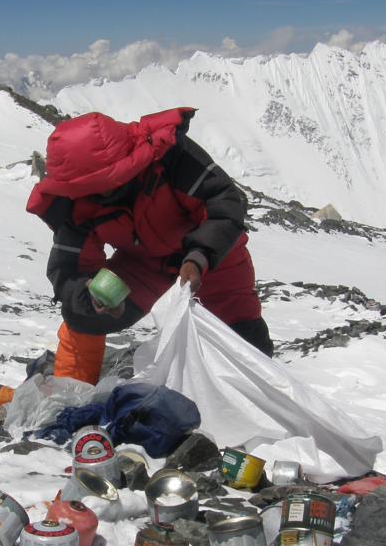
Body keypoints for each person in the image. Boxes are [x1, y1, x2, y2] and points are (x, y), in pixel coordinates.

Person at [26, 107, 273, 384]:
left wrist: (198, 258)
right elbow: (71, 267)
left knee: (244, 338)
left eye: (103, 185)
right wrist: (91, 300)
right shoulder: (77, 201)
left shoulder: (169, 157)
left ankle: (256, 402)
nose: (99, 195)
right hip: (143, 263)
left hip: (212, 256)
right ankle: (72, 394)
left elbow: (223, 206)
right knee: (82, 317)